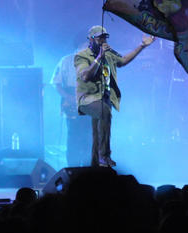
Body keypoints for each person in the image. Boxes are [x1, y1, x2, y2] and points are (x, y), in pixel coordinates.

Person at [75, 25, 154, 168]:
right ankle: (104, 155)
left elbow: (123, 61)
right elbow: (86, 76)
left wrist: (142, 46)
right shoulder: (82, 56)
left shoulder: (109, 54)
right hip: (87, 99)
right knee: (104, 112)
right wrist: (99, 57)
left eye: (105, 37)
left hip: (104, 98)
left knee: (97, 134)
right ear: (91, 39)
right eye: (100, 38)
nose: (103, 40)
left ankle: (96, 166)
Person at [51, 37, 91, 167]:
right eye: (86, 44)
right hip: (71, 101)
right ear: (79, 45)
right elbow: (55, 82)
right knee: (73, 135)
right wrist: (67, 97)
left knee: (88, 136)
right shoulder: (66, 60)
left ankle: (87, 168)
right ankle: (73, 168)